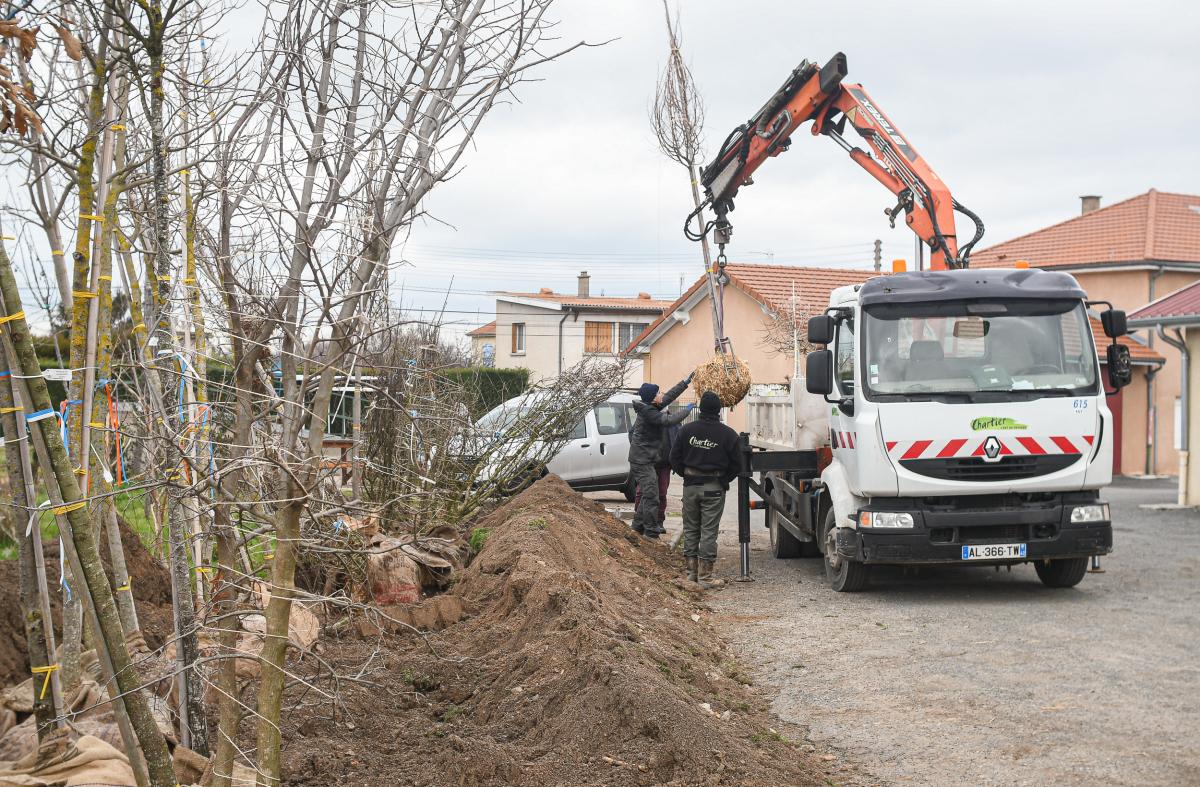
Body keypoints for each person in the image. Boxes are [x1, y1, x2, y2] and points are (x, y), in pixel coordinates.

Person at [670, 390, 740, 588]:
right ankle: (706, 577)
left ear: (701, 409)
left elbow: (674, 458)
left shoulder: (686, 430)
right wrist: (724, 479)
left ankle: (690, 574)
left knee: (691, 529)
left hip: (691, 486)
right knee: (709, 531)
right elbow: (737, 464)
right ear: (718, 410)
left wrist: (686, 475)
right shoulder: (728, 434)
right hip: (714, 488)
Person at [628, 374, 693, 539]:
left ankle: (636, 527)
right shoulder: (649, 412)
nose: (661, 395)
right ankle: (651, 532)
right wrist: (686, 411)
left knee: (649, 494)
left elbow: (669, 395)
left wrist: (684, 382)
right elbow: (668, 420)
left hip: (646, 459)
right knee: (651, 495)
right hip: (642, 460)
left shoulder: (651, 406)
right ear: (652, 398)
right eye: (658, 393)